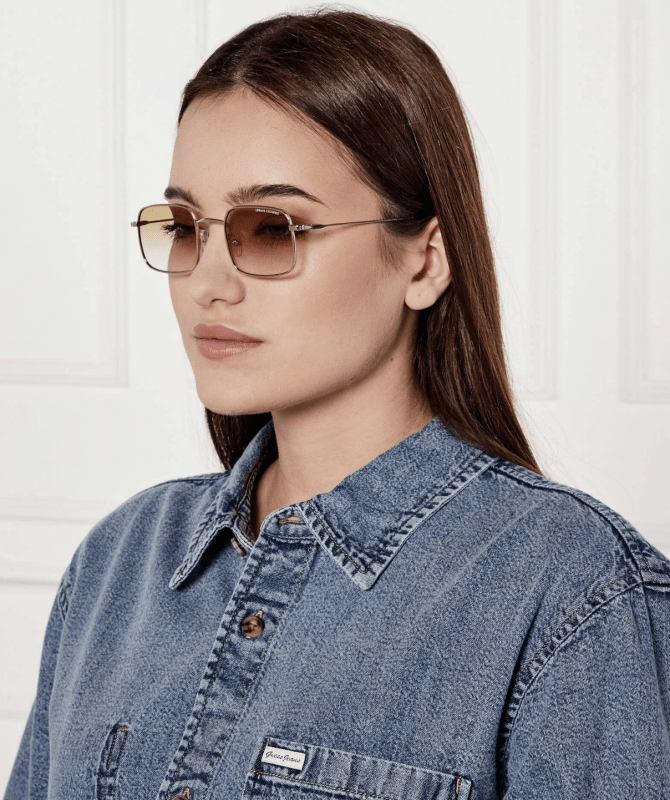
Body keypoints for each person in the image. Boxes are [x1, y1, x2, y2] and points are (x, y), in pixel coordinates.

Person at [5, 8, 669, 800]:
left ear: (425, 262)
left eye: (271, 227)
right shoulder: (120, 563)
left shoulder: (572, 590)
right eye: (186, 227)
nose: (208, 283)